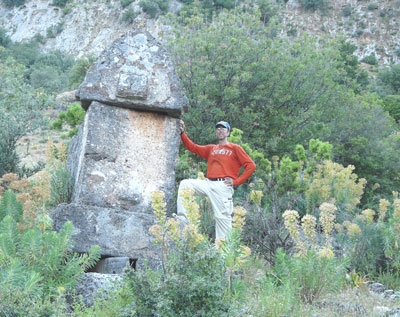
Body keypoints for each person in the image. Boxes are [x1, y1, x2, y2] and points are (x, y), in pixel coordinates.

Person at [177, 120, 256, 240]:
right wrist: (182, 133)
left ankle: (223, 255)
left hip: (222, 186)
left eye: (223, 128)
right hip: (208, 183)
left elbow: (251, 166)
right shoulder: (211, 149)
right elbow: (192, 147)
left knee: (222, 220)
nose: (220, 130)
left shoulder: (235, 148)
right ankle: (183, 220)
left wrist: (236, 182)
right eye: (218, 128)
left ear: (228, 132)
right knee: (185, 184)